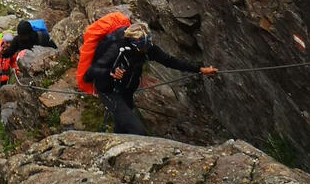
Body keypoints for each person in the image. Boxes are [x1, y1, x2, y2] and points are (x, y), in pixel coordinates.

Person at [85, 20, 218, 135]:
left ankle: (114, 154)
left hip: (127, 91)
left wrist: (200, 69)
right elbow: (90, 74)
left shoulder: (147, 47)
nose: (144, 50)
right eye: (141, 47)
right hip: (109, 91)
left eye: (146, 46)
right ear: (132, 43)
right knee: (137, 131)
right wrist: (110, 72)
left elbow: (169, 61)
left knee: (122, 127)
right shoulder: (115, 49)